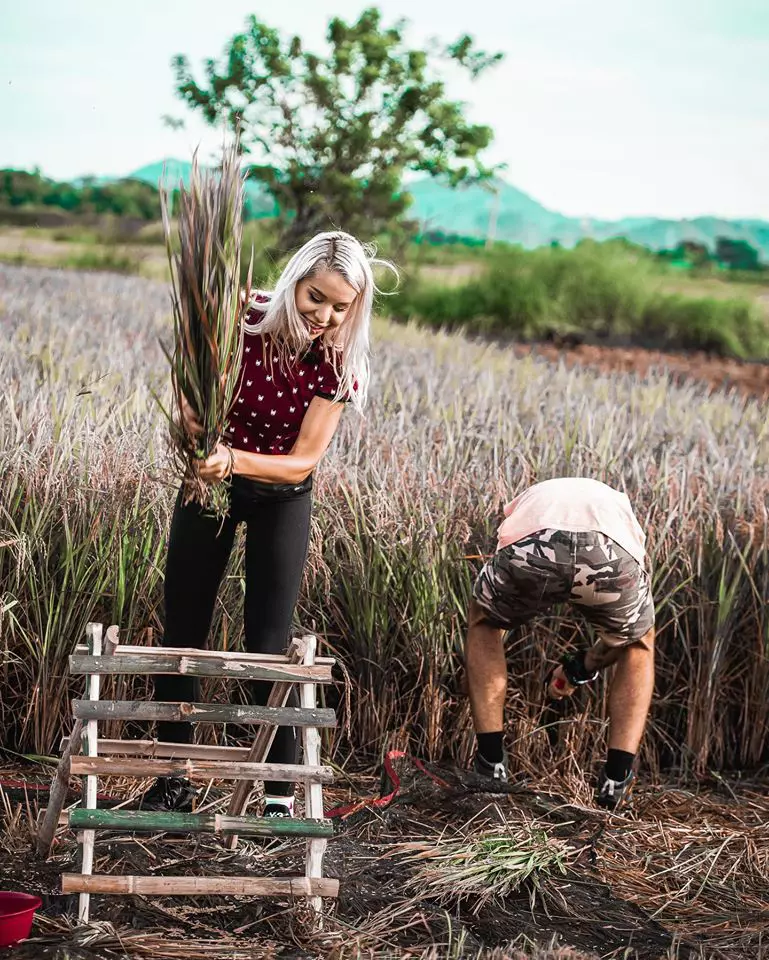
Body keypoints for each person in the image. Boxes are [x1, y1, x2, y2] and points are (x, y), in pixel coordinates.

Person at [140, 231, 395, 816]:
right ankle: (175, 778)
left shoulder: (339, 359)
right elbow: (188, 394)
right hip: (211, 485)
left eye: (341, 306)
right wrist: (191, 429)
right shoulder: (240, 318)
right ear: (292, 283)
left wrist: (232, 457)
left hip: (281, 494)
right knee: (183, 629)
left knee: (268, 643)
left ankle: (278, 791)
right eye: (315, 298)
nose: (325, 316)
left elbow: (303, 461)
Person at [465, 477, 655, 809]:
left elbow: (507, 537)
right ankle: (616, 781)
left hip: (532, 543)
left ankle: (491, 766)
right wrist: (583, 668)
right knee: (638, 643)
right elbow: (622, 638)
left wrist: (576, 669)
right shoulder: (620, 507)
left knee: (485, 622)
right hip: (611, 547)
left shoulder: (527, 499)